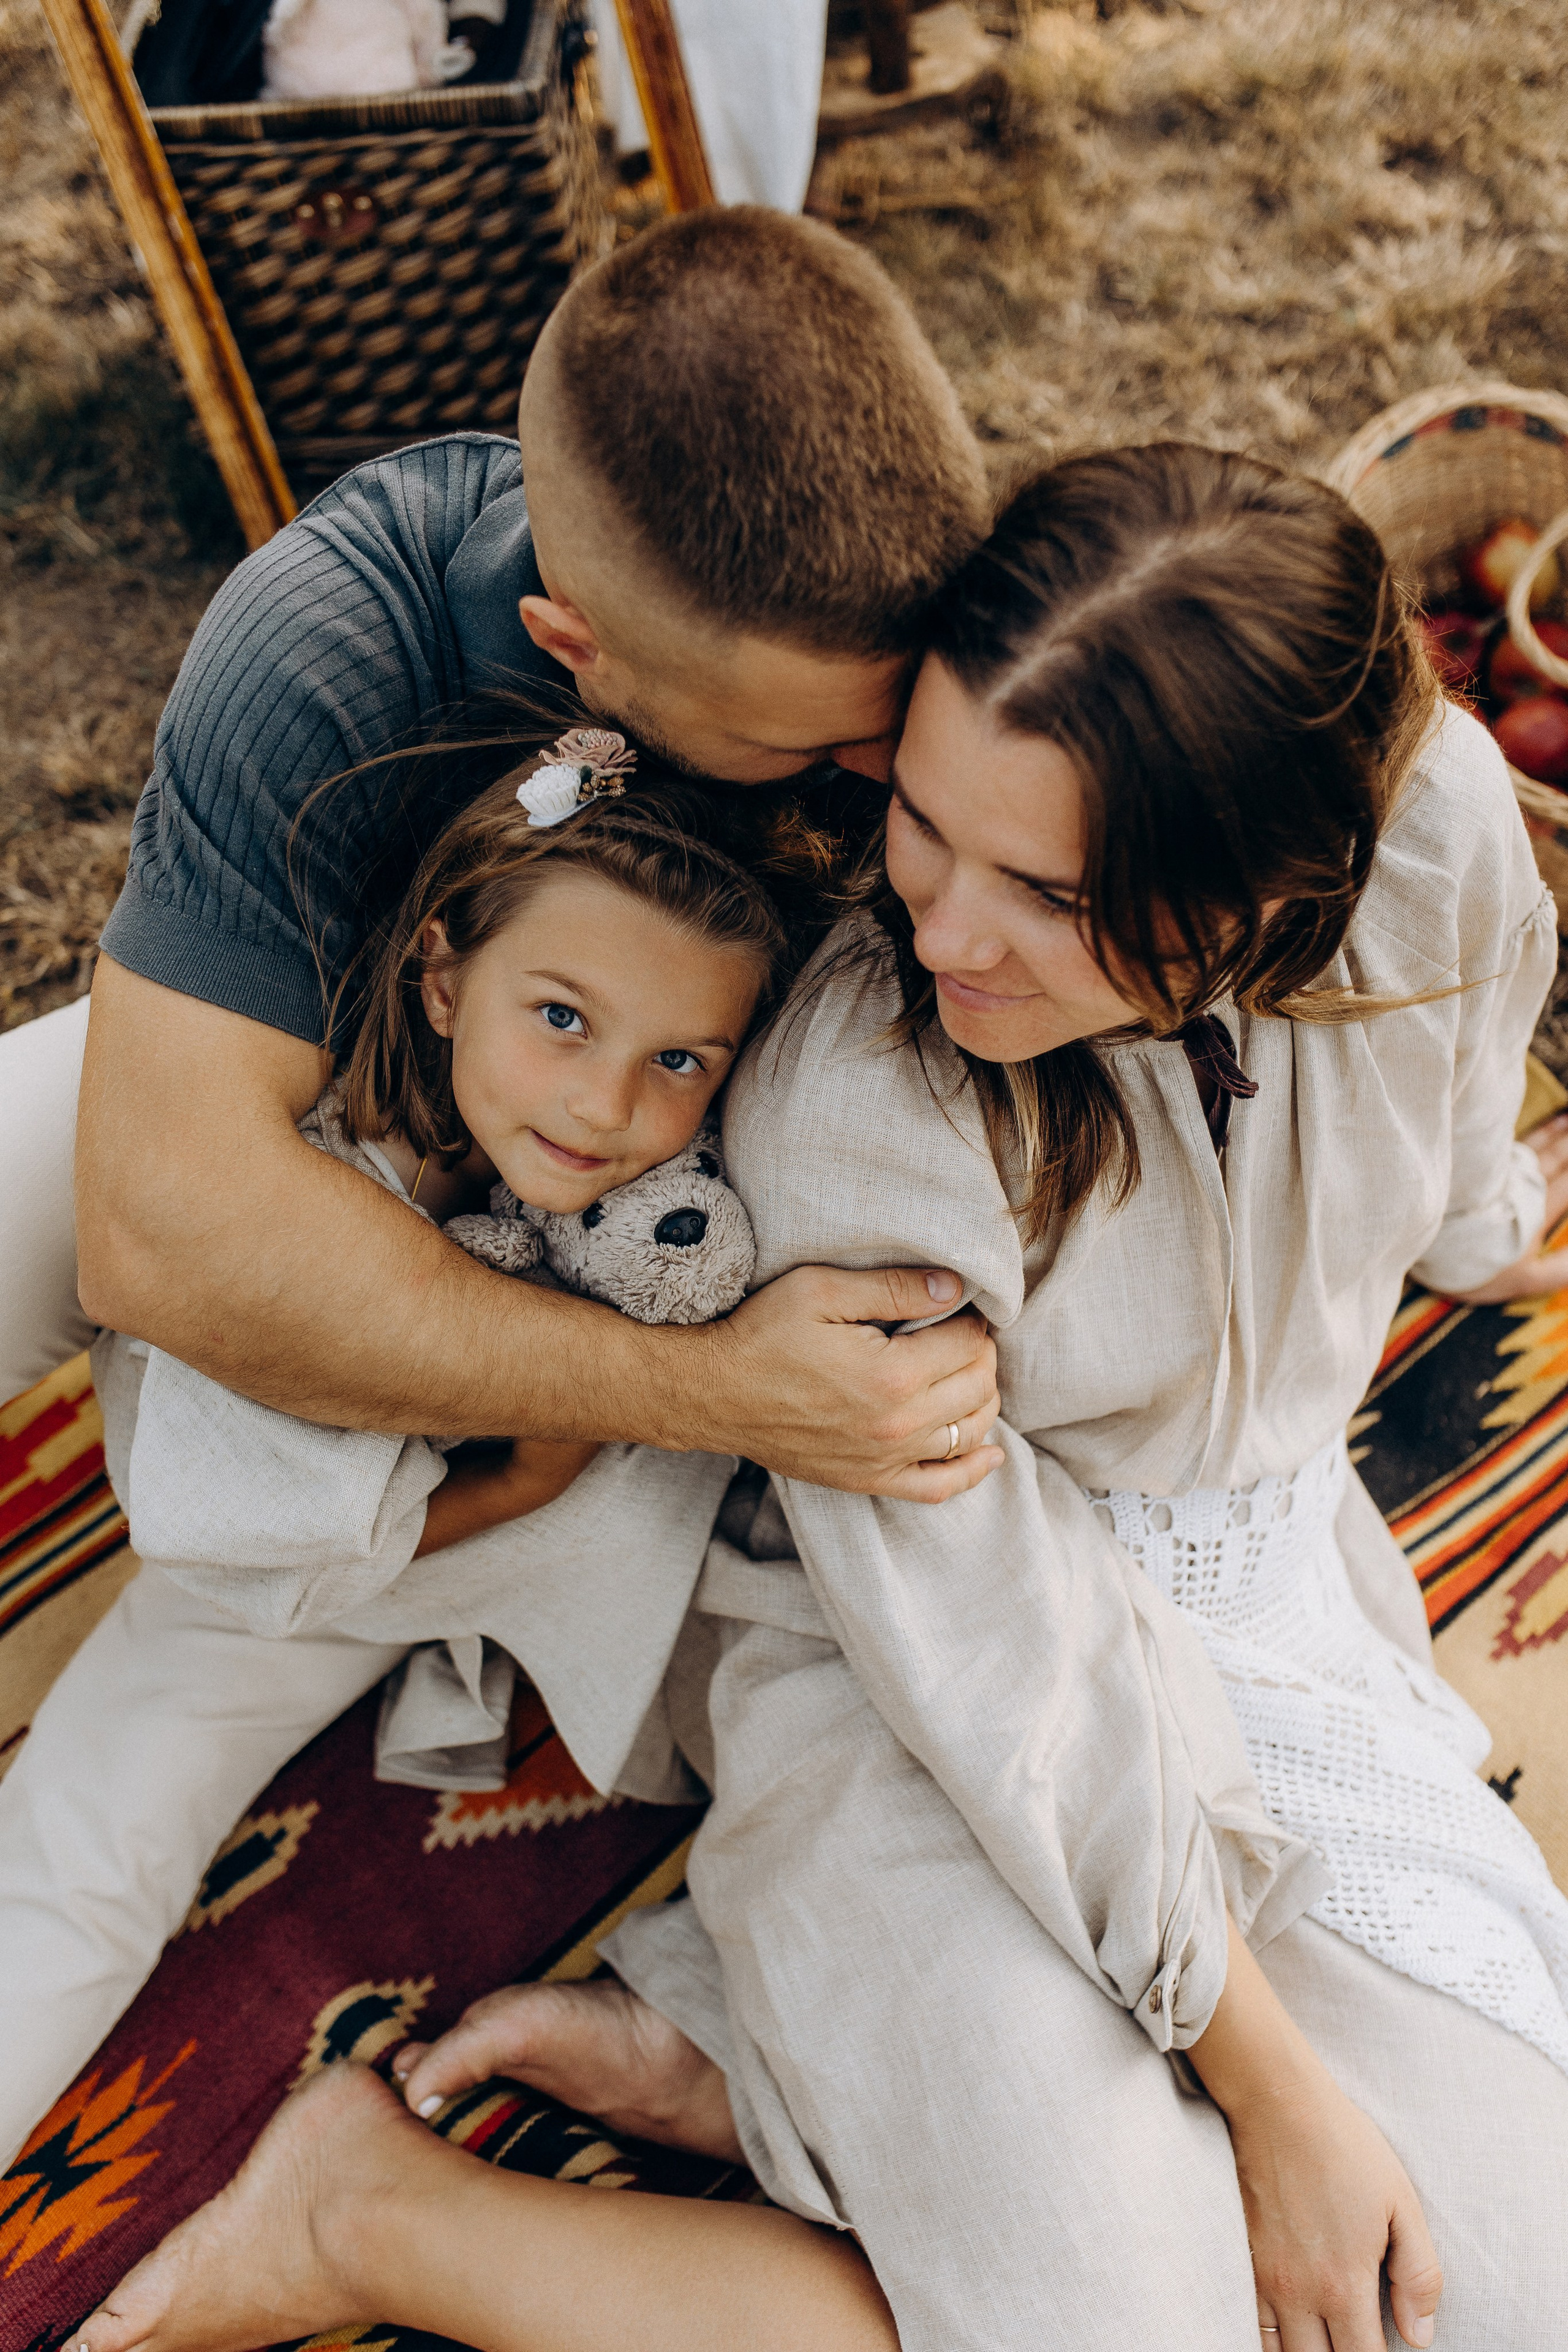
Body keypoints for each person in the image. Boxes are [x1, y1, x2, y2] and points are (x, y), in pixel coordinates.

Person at [74, 444, 1568, 2352]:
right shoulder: (871, 1082)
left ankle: (776, 2086)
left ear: (1271, 889)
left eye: (1048, 891)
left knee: (1505, 2293)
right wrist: (1271, 2095)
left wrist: (1466, 1212)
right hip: (908, 1690)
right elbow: (1002, 1650)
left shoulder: (1437, 817)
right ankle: (377, 2214)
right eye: (922, 826)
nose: (943, 930)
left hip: (1281, 1636)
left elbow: (1455, 1055)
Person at [0, 206, 1000, 1504]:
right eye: (811, 746)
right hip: (361, 1061)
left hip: (690, 1130)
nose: (886, 782)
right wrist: (711, 1396)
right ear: (572, 641)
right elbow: (162, 1233)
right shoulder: (333, 641)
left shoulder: (908, 582)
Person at [1, 747, 912, 2167]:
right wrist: (523, 1477)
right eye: (560, 1018)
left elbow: (261, 1558)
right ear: (440, 977)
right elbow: (229, 1533)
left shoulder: (666, 1195)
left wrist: (540, 1477)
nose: (605, 1108)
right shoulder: (288, 1104)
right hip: (256, 1401)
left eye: (675, 1060)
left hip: (374, 1535)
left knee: (94, 1848)